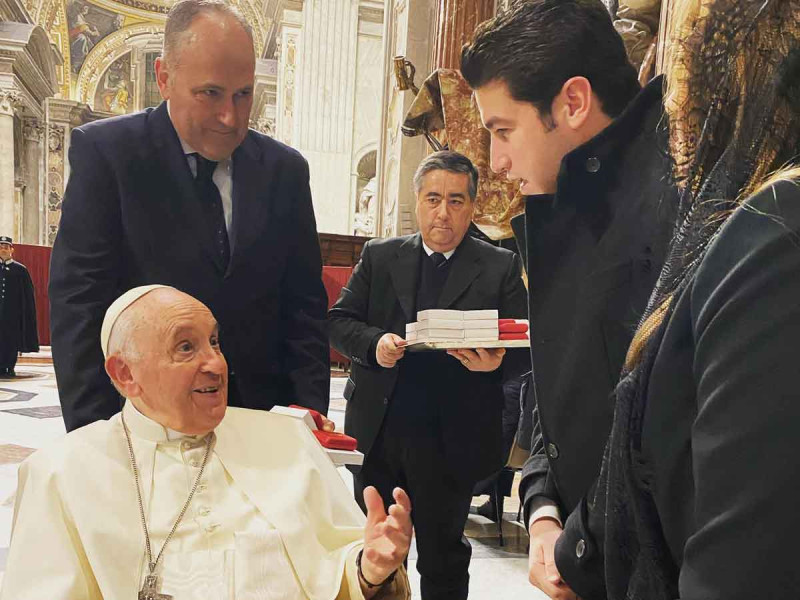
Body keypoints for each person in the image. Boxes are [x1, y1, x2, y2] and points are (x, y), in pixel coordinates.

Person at [550, 1, 800, 598]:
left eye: (680, 48)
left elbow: (737, 573)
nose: (658, 85)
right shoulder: (742, 216)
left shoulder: (775, 229)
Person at [460, 1, 679, 597]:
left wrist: (577, 543)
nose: (497, 163)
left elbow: (660, 436)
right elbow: (556, 382)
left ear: (573, 103)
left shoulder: (670, 214)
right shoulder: (568, 204)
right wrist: (542, 508)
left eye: (503, 131)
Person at [1, 285, 411, 600]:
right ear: (125, 374)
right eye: (186, 347)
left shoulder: (286, 441)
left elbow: (335, 570)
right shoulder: (60, 473)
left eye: (214, 342)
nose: (215, 363)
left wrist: (367, 570)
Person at [50, 0, 330, 433]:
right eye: (210, 93)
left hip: (262, 425)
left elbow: (304, 310)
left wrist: (307, 424)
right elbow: (81, 307)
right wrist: (99, 439)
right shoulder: (108, 155)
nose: (230, 117)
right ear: (164, 77)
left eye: (244, 94)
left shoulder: (285, 171)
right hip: (148, 424)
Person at [329, 151, 529, 600]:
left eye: (456, 200)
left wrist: (497, 363)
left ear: (472, 207)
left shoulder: (497, 266)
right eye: (434, 198)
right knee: (376, 551)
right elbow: (339, 321)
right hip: (382, 430)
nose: (443, 212)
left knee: (443, 558)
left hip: (452, 437)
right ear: (418, 201)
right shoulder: (380, 256)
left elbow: (525, 343)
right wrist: (375, 344)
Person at [0, 236, 39, 377]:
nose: (3, 249)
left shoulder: (20, 270)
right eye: (1, 247)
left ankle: (9, 367)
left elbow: (27, 295)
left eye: (6, 247)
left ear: (12, 250)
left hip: (12, 314)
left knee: (10, 342)